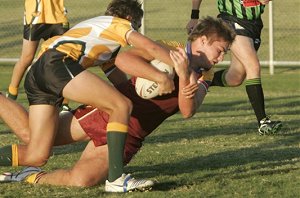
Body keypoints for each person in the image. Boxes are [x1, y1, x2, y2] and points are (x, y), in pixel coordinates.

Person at [0, 16, 236, 190]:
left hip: (130, 135)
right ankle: (116, 180)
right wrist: (160, 75)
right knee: (36, 140)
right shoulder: (169, 49)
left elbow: (187, 110)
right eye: (220, 50)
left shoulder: (202, 76)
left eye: (224, 53)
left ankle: (29, 176)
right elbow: (124, 59)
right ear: (203, 40)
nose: (221, 57)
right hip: (102, 113)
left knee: (81, 180)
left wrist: (184, 76)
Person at [0, 0, 178, 193]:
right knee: (121, 106)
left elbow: (120, 82)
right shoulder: (119, 24)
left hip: (40, 71)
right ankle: (116, 179)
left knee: (37, 154)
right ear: (130, 19)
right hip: (57, 64)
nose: (134, 29)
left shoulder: (101, 36)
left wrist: (143, 93)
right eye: (136, 25)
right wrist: (179, 69)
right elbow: (151, 48)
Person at [186, 0, 282, 135]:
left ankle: (202, 79)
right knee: (253, 66)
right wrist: (194, 16)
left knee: (234, 78)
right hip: (231, 21)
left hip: (253, 24)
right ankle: (263, 122)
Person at [6, 0, 71, 110]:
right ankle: (11, 95)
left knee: (63, 59)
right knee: (27, 58)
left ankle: (64, 103)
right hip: (35, 17)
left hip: (58, 17)